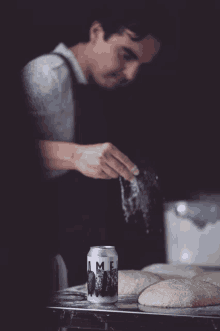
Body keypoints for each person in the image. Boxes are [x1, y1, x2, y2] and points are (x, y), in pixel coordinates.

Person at [19, 2, 169, 329]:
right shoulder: (48, 73)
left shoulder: (96, 85)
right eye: (126, 55)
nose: (131, 74)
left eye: (141, 64)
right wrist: (76, 155)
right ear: (97, 33)